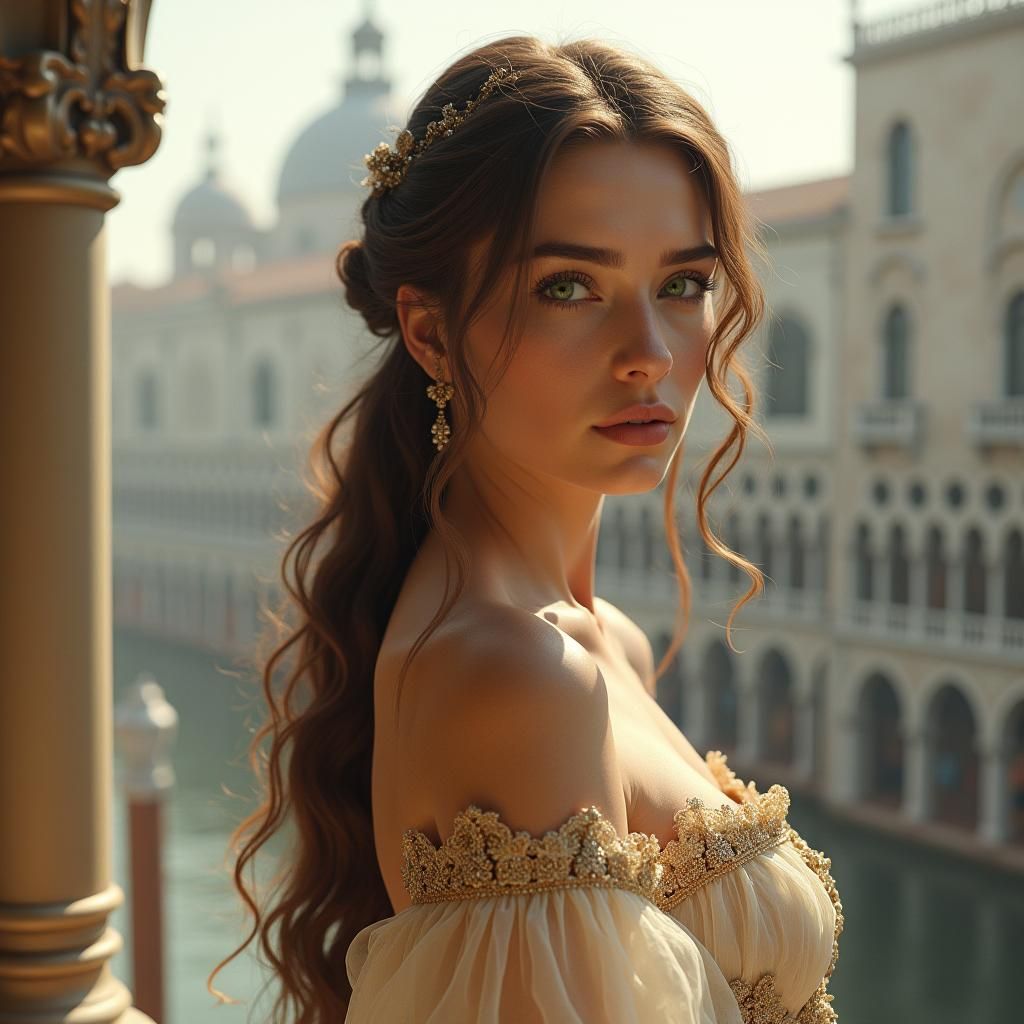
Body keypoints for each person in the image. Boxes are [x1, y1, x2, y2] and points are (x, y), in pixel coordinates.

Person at [207, 34, 844, 1023]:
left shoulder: (600, 639)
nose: (649, 354)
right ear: (428, 331)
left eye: (681, 283)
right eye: (568, 287)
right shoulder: (518, 676)